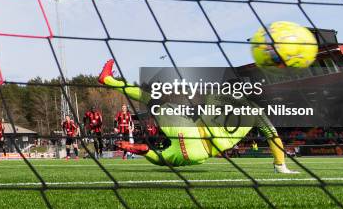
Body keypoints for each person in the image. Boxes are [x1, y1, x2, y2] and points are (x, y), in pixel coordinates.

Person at [98, 59, 298, 173]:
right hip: (198, 154)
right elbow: (274, 138)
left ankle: (109, 80)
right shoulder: (258, 114)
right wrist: (280, 165)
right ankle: (145, 151)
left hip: (187, 129)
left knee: (149, 99)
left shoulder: (219, 94)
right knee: (162, 161)